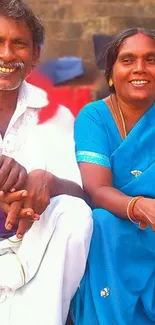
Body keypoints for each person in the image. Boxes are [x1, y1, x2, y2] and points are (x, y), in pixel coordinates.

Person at [0, 1, 93, 324]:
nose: (8, 54)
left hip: (32, 248)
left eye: (19, 43)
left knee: (74, 213)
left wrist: (46, 181)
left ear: (35, 55)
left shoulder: (55, 114)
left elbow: (80, 193)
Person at [72, 28, 155, 325]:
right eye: (128, 60)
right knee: (101, 223)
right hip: (117, 227)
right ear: (111, 74)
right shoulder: (94, 117)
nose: (140, 69)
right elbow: (96, 189)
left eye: (151, 59)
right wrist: (141, 206)